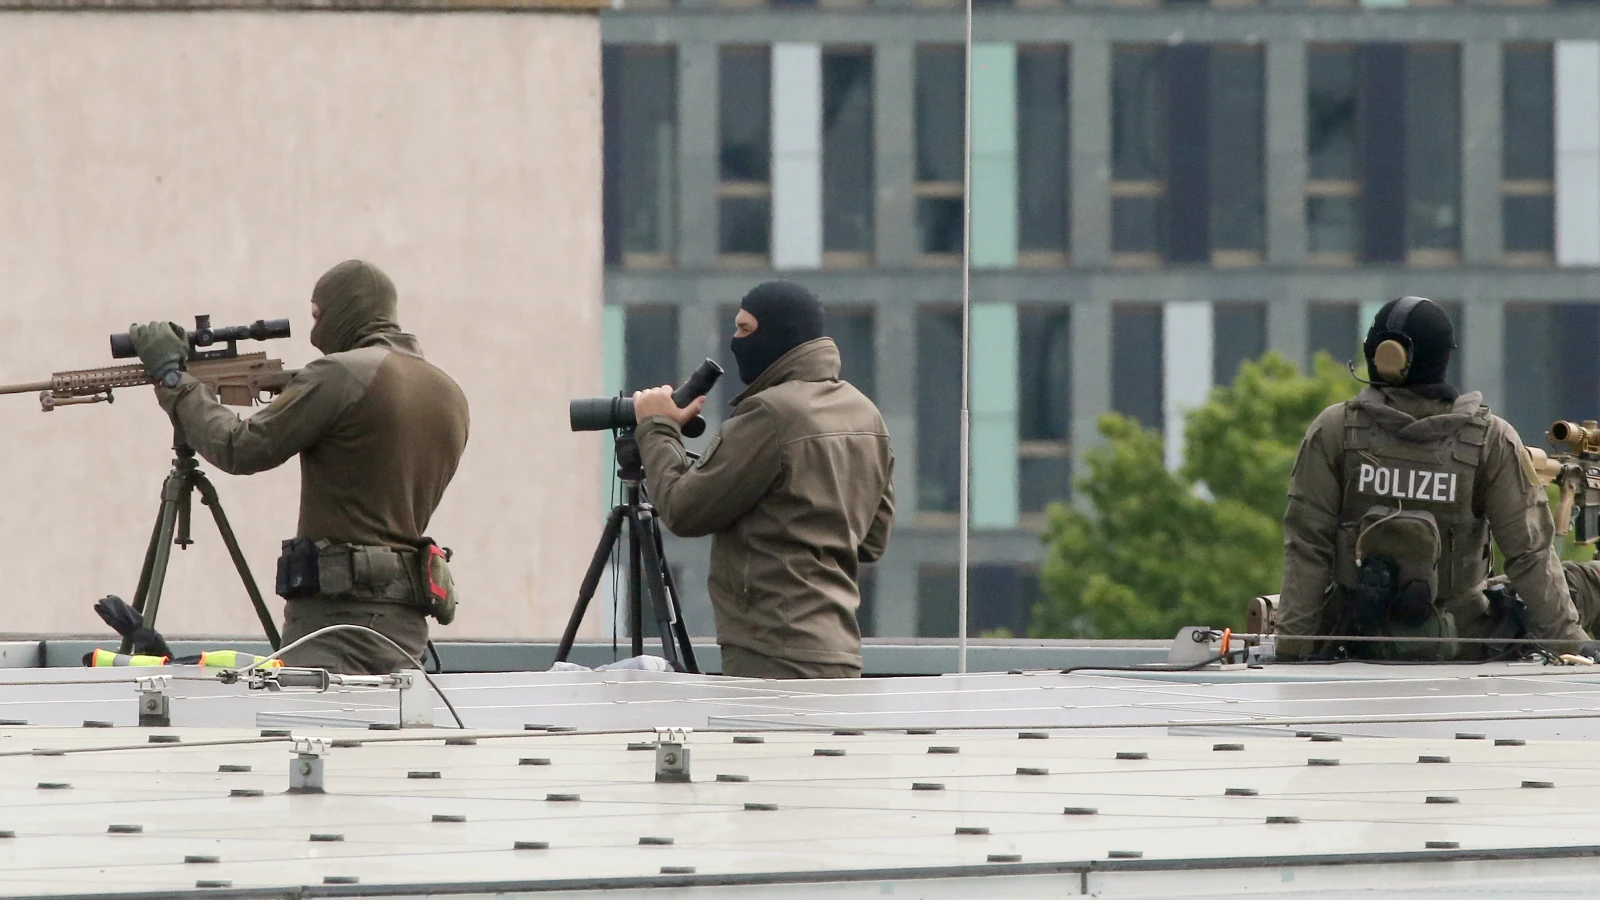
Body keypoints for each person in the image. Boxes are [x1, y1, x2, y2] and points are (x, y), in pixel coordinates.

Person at [128, 260, 469, 674]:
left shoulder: (341, 375)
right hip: (405, 626)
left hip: (336, 626)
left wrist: (174, 381)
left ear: (346, 309)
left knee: (309, 715)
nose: (313, 333)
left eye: (317, 315)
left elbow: (239, 447)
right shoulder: (450, 394)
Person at [1277, 296, 1592, 660]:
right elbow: (1530, 555)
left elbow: (1307, 549)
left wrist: (1292, 650)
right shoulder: (1489, 439)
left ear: (1382, 356)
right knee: (1589, 581)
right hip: (1464, 639)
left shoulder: (1335, 430)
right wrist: (1573, 645)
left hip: (1355, 634)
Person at [631, 280, 894, 679]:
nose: (735, 341)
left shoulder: (769, 414)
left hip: (771, 649)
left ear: (780, 334)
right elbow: (872, 541)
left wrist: (657, 428)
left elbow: (682, 510)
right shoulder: (865, 414)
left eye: (745, 328)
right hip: (838, 650)